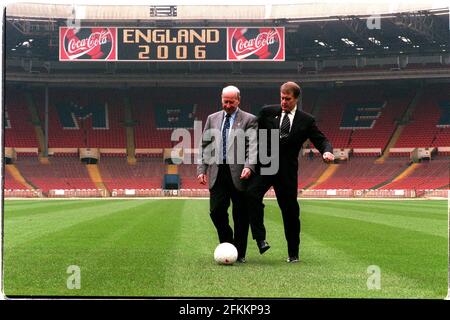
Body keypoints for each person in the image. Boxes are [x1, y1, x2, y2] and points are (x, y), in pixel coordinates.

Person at [247, 81, 335, 263]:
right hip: (265, 166)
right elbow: (251, 130)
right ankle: (260, 238)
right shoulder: (267, 112)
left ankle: (293, 253)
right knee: (251, 195)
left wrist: (326, 151)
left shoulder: (306, 120)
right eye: (282, 98)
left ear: (296, 99)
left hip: (287, 172)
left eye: (287, 99)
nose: (284, 102)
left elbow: (321, 140)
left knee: (290, 212)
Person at [197, 85, 257, 263]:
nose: (228, 105)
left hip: (240, 174)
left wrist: (249, 166)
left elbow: (252, 146)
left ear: (238, 100)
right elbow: (205, 146)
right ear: (221, 99)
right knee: (216, 211)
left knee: (241, 215)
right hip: (218, 172)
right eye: (225, 101)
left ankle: (240, 253)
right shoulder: (212, 119)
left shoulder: (249, 119)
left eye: (232, 102)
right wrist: (202, 169)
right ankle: (228, 245)